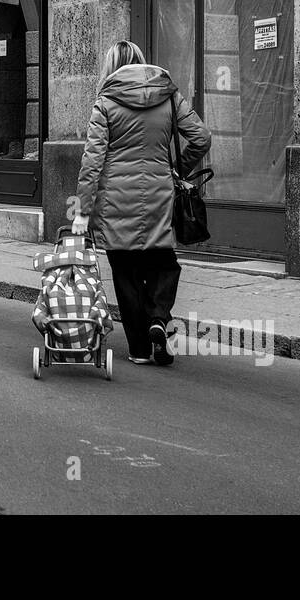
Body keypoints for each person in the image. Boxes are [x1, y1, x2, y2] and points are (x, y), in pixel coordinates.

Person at [72, 41, 211, 366]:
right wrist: (177, 169)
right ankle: (159, 319)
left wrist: (82, 211)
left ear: (111, 67)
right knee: (164, 263)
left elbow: (92, 161)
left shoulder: (105, 102)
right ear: (141, 63)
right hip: (159, 195)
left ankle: (138, 350)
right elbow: (201, 137)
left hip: (116, 200)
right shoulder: (168, 95)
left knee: (125, 272)